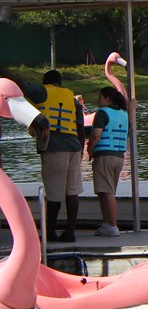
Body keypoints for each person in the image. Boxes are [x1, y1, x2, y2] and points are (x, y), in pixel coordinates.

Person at [2, 69, 85, 242]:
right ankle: (70, 232)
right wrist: (81, 149)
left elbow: (19, 84)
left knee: (54, 192)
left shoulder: (43, 92)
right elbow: (80, 126)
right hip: (74, 148)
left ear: (46, 82)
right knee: (72, 192)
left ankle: (50, 232)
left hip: (55, 148)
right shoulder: (72, 99)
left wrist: (3, 72)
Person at [86, 86, 129, 237]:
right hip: (119, 156)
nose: (98, 100)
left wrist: (89, 148)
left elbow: (96, 134)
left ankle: (112, 225)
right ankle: (107, 223)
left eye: (100, 97)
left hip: (104, 155)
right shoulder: (124, 113)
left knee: (106, 191)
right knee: (106, 191)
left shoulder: (102, 113)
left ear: (107, 99)